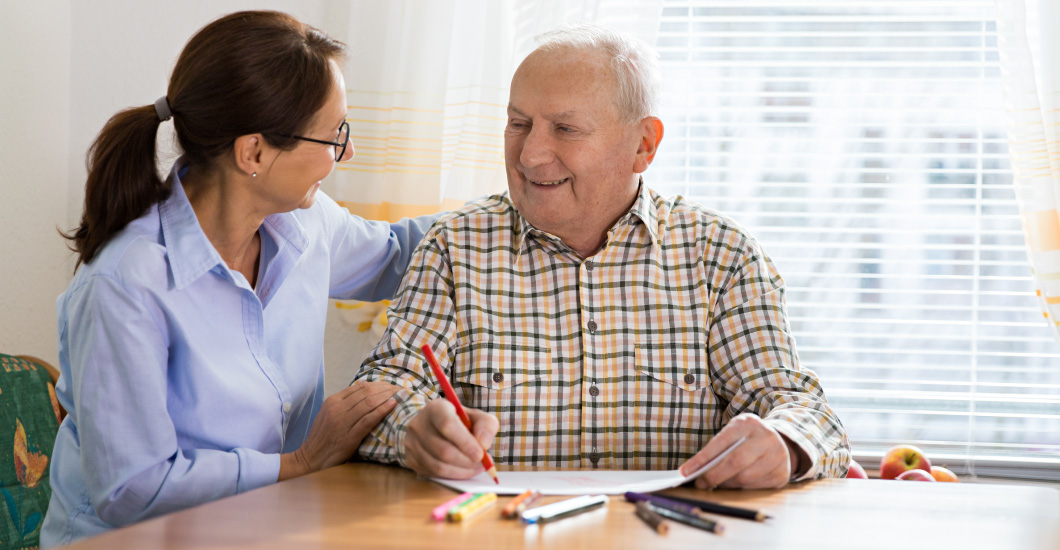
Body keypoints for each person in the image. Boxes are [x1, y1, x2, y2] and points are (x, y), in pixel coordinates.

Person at [354, 23, 850, 489]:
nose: (530, 155)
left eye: (565, 129)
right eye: (519, 123)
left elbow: (800, 407)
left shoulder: (721, 256)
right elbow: (376, 399)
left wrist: (784, 444)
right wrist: (411, 430)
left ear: (643, 145)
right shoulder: (452, 247)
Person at [41, 11, 438, 547]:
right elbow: (132, 487)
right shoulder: (125, 283)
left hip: (264, 530)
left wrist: (516, 202)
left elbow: (401, 254)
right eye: (332, 135)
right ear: (253, 152)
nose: (344, 152)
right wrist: (298, 463)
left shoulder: (303, 222)